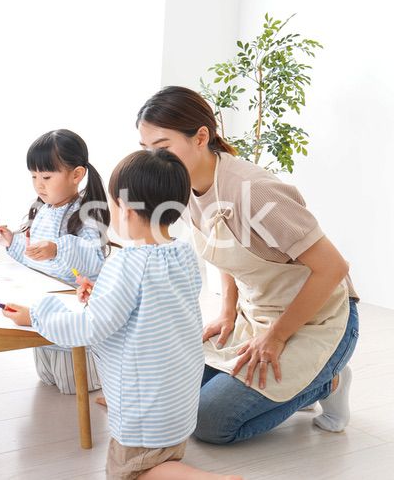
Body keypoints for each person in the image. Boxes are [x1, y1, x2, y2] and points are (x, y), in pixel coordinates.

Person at [135, 86, 359, 443]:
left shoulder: (254, 191)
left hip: (319, 319)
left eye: (162, 147)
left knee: (209, 422)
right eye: (146, 149)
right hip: (256, 314)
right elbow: (225, 246)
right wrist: (227, 311)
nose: (153, 158)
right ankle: (305, 378)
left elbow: (332, 268)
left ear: (201, 137)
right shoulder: (187, 187)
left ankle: (328, 380)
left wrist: (277, 336)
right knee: (175, 395)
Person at [3, 150, 240, 480]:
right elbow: (151, 307)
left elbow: (90, 328)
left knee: (130, 472)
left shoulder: (126, 262)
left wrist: (39, 314)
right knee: (161, 461)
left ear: (125, 211)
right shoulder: (183, 252)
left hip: (145, 405)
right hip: (178, 396)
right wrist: (100, 291)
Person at [0, 129, 108, 394]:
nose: (38, 184)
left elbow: (93, 259)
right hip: (44, 303)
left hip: (71, 305)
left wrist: (57, 248)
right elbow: (35, 256)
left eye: (46, 176)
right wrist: (11, 241)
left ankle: (95, 378)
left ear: (76, 175)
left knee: (73, 379)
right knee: (48, 371)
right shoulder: (43, 210)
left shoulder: (86, 212)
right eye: (33, 176)